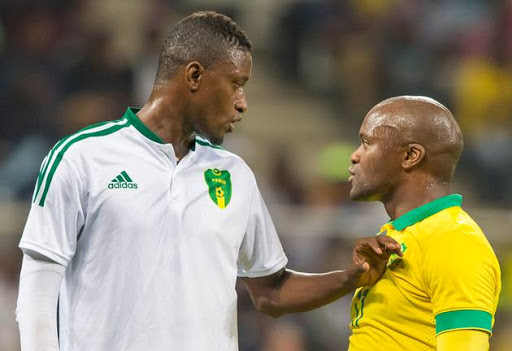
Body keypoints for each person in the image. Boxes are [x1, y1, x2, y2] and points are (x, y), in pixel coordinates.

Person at [15, 11, 401, 351]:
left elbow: (271, 291)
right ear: (195, 75)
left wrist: (350, 277)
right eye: (236, 83)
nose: (243, 102)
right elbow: (37, 287)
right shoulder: (82, 157)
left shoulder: (236, 174)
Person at [347, 96, 501, 351]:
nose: (355, 155)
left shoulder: (454, 242)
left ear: (410, 155)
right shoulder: (402, 234)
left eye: (367, 143)